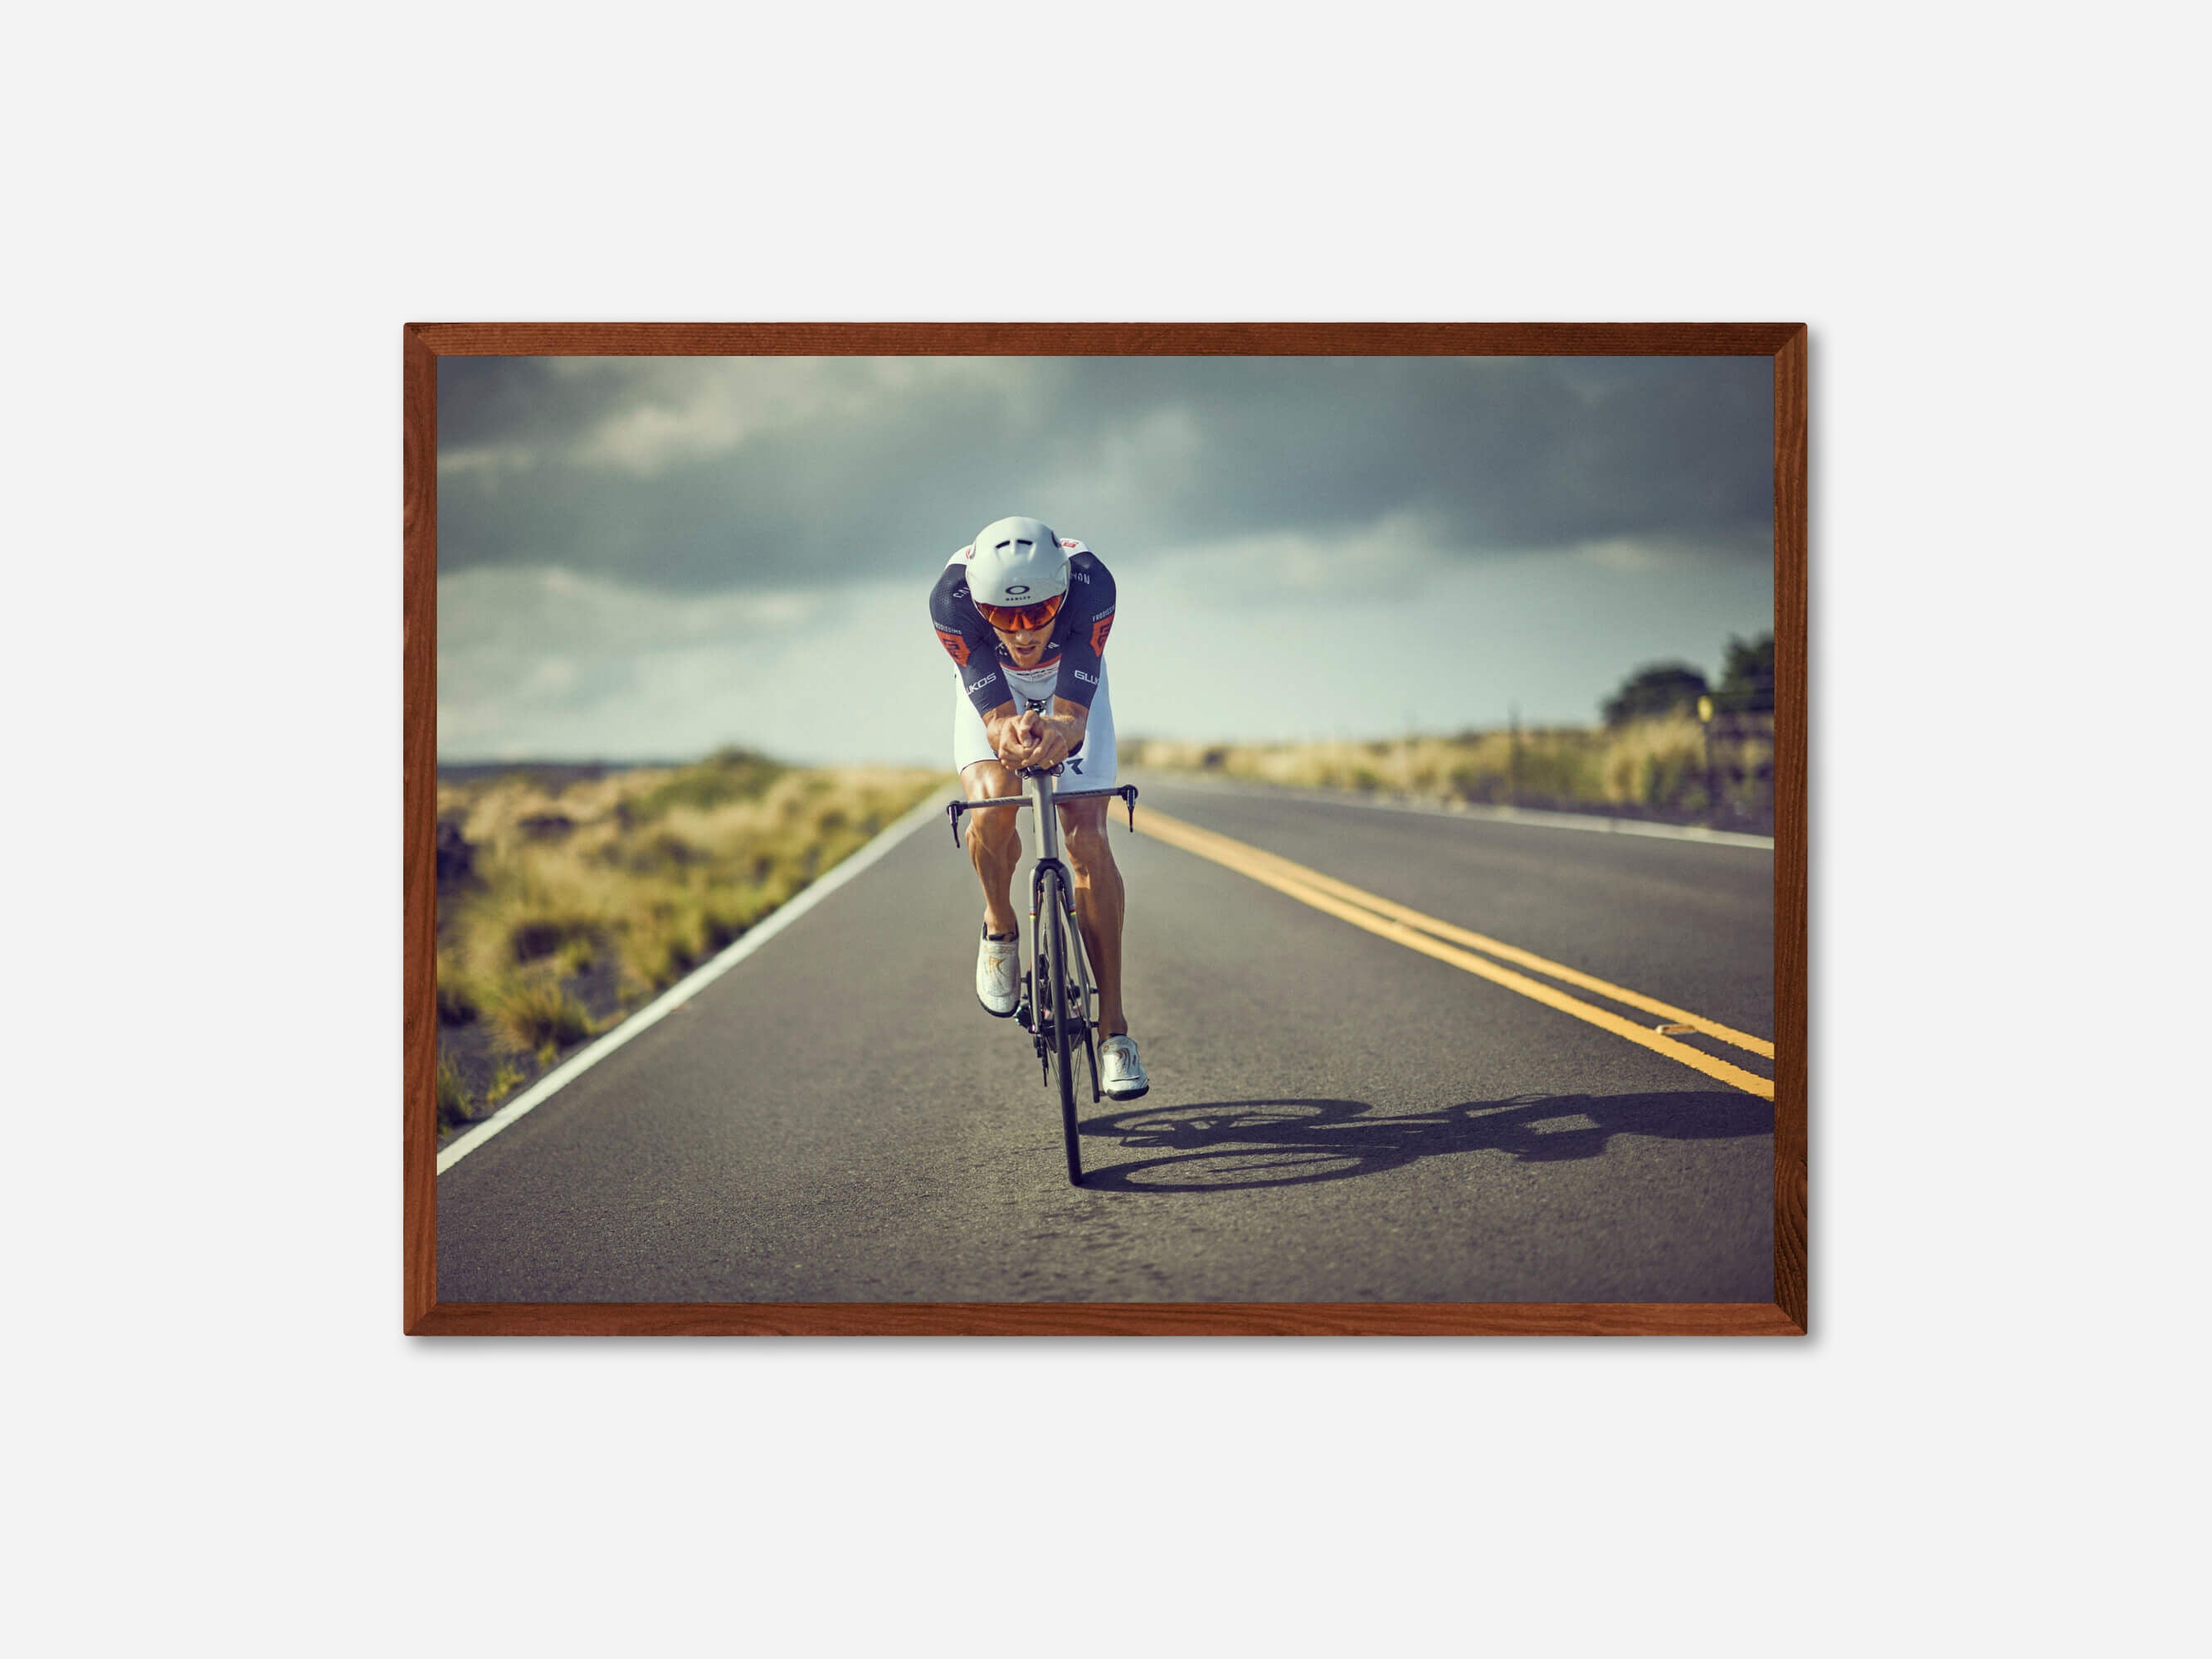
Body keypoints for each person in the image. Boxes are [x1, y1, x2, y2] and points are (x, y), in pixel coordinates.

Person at [928, 515, 1148, 1101]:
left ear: (1063, 593)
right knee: (990, 810)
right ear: (980, 607)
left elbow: (1075, 717)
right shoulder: (951, 601)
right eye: (1003, 616)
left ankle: (1114, 1032)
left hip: (1069, 690)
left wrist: (1058, 725)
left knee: (1086, 836)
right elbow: (998, 724)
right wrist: (1012, 732)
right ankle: (1000, 923)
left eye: (1037, 613)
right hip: (995, 687)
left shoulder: (1092, 584)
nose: (1022, 632)